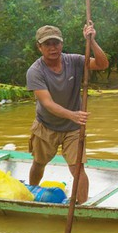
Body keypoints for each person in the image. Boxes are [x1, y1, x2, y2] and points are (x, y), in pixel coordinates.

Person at [26, 23, 109, 204]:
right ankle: (32, 193)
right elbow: (47, 103)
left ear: (62, 44)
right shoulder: (35, 71)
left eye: (56, 43)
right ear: (39, 47)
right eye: (47, 44)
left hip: (73, 128)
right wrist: (72, 114)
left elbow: (102, 64)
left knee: (77, 168)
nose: (52, 48)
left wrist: (92, 41)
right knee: (39, 163)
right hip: (46, 125)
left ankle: (82, 206)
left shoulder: (74, 61)